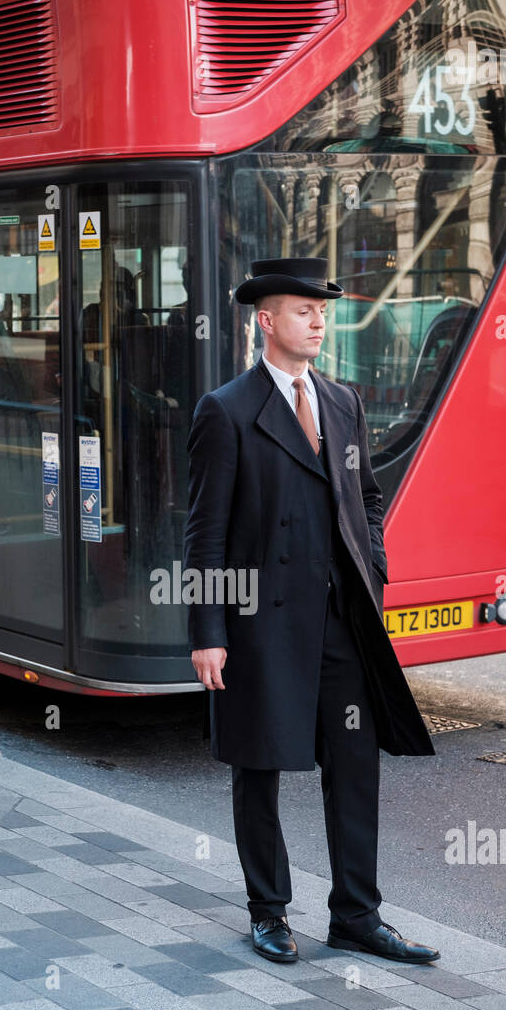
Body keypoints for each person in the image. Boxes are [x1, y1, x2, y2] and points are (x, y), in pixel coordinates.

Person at [184, 257, 440, 966]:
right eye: (304, 310)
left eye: (324, 310)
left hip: (341, 625)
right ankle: (269, 911)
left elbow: (369, 500)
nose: (320, 320)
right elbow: (203, 533)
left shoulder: (342, 402)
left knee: (355, 766)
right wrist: (208, 632)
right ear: (266, 321)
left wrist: (373, 570)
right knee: (257, 767)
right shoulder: (226, 409)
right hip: (259, 627)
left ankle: (357, 915)